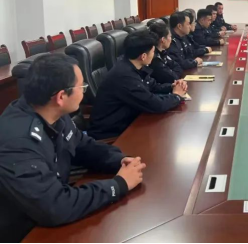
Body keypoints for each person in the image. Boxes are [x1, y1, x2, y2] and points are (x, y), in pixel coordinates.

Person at [0, 54, 146, 243]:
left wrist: (120, 160)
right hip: (25, 231)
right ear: (61, 96)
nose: (85, 91)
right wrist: (118, 185)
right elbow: (55, 206)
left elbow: (83, 146)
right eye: (82, 87)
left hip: (49, 217)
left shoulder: (53, 113)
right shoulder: (17, 143)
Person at [89, 32, 188, 140]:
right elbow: (154, 104)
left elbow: (153, 86)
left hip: (130, 121)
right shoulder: (125, 76)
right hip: (112, 133)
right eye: (153, 52)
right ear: (143, 56)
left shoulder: (135, 65)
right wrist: (176, 96)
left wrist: (172, 86)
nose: (154, 55)